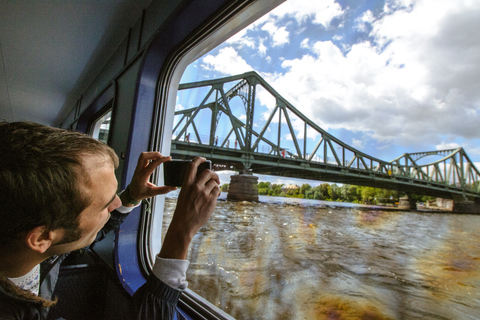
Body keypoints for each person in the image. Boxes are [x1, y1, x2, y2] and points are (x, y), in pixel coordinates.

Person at [0, 121, 221, 320]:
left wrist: (132, 196)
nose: (117, 203)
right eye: (105, 204)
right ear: (41, 238)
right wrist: (182, 233)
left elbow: (81, 233)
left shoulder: (33, 250)